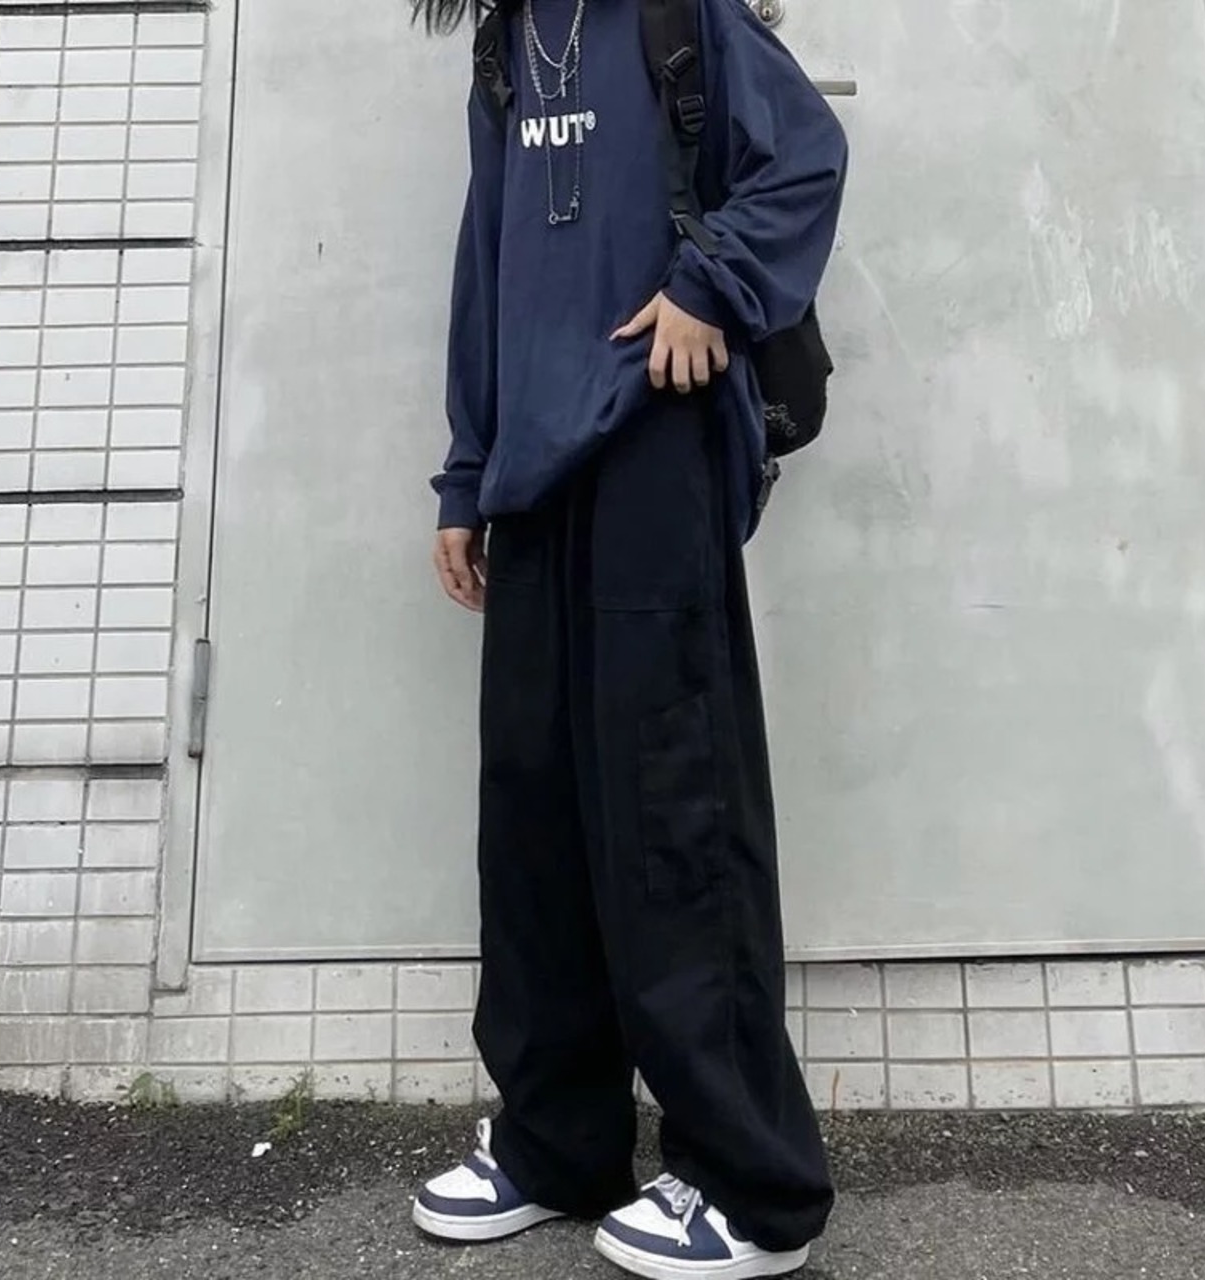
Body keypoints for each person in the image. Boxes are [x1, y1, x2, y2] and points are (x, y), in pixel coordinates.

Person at [412, 1, 847, 1276]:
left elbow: (803, 155)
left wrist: (708, 284)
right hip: (532, 474)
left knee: (674, 806)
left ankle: (749, 1183)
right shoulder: (506, 40)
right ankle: (558, 1142)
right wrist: (466, 469)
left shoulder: (677, 14)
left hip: (656, 441)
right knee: (534, 815)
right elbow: (488, 261)